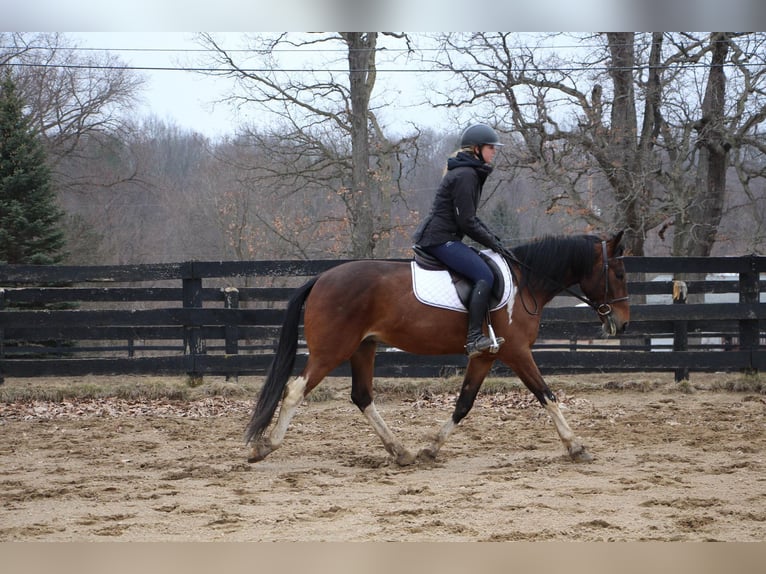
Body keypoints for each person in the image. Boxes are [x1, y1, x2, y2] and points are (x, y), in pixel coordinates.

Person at [412, 123, 508, 358]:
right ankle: (474, 337)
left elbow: (470, 218)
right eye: (490, 147)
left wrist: (494, 239)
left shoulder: (468, 172)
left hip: (444, 237)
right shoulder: (466, 175)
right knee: (484, 275)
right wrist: (492, 243)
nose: (494, 151)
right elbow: (466, 221)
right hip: (440, 239)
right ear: (476, 149)